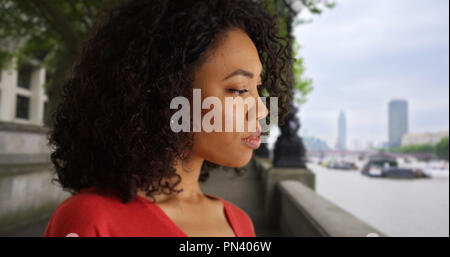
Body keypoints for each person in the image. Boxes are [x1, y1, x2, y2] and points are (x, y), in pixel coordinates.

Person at [44, 0, 293, 237]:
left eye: (258, 88)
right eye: (238, 89)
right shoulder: (89, 220)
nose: (262, 111)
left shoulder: (239, 223)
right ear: (167, 92)